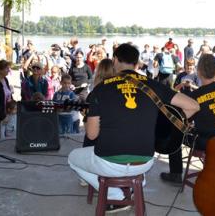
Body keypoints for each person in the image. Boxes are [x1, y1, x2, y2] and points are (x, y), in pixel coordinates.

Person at [68, 43, 199, 213]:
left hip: (109, 161)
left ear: (115, 60)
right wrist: (164, 125)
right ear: (137, 64)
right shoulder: (153, 85)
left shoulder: (101, 88)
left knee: (72, 158)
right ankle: (133, 184)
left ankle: (116, 195)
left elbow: (92, 135)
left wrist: (87, 119)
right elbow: (193, 106)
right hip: (144, 162)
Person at [161, 54, 215, 184]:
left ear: (199, 72)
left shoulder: (194, 96)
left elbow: (182, 120)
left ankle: (176, 173)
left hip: (203, 142)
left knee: (174, 132)